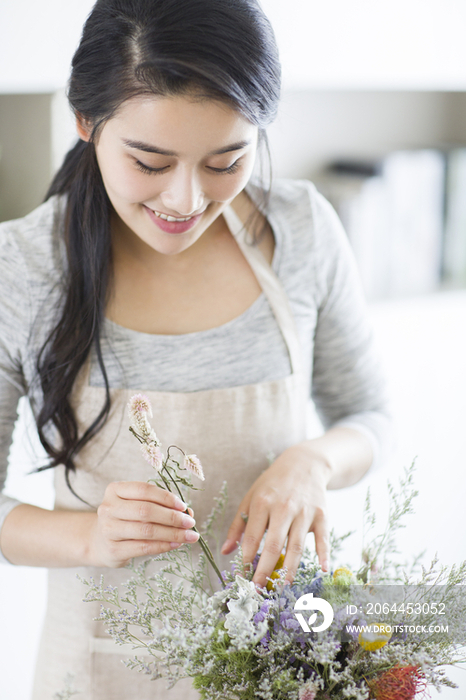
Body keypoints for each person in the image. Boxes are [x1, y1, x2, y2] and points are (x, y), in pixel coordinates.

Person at [0, 0, 390, 697]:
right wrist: (91, 538)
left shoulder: (300, 229)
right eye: (150, 161)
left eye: (226, 160)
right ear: (86, 122)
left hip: (283, 661)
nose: (186, 199)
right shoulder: (24, 266)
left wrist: (312, 462)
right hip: (99, 670)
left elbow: (370, 416)